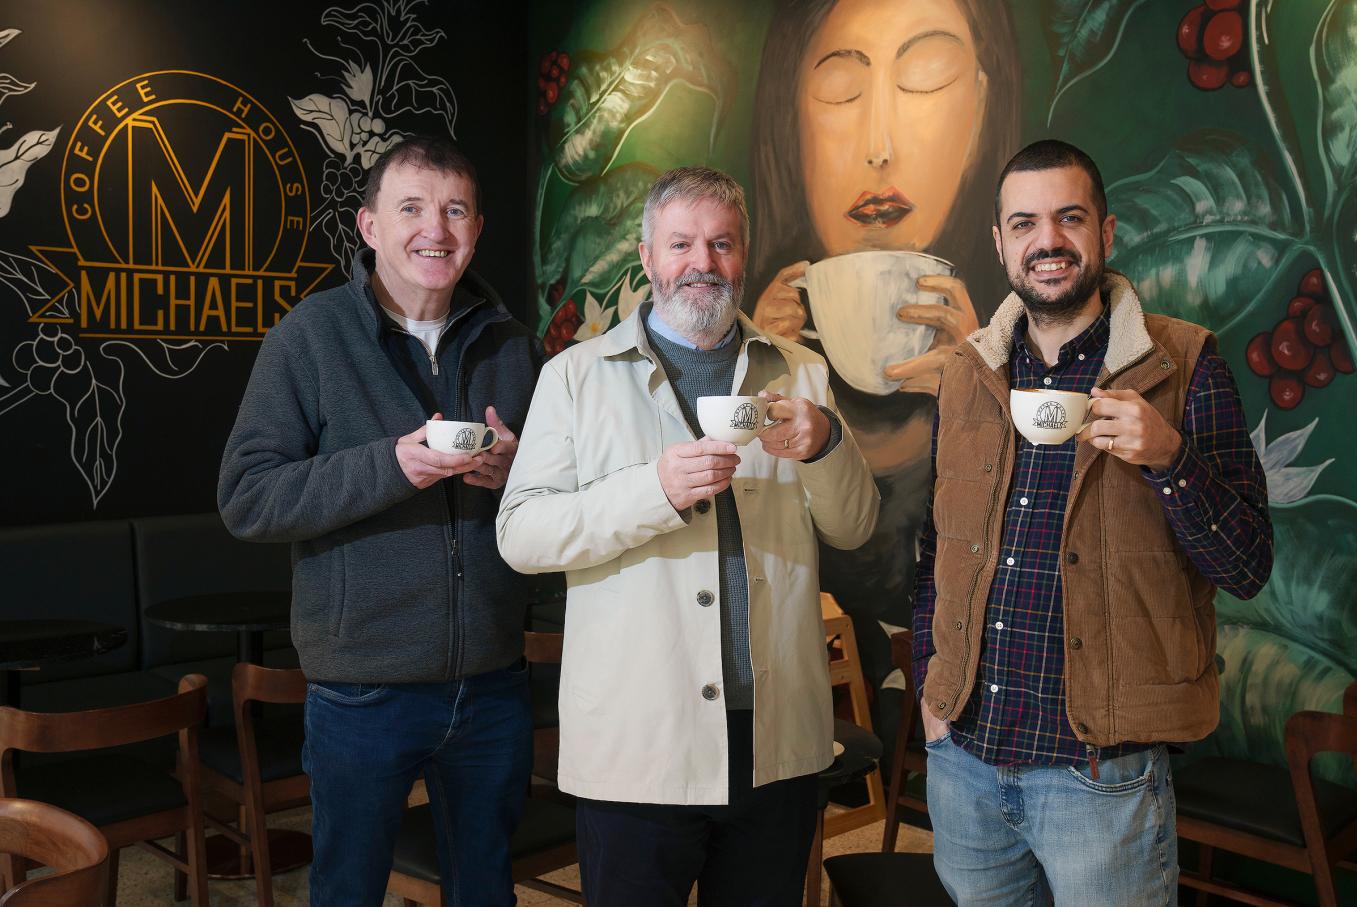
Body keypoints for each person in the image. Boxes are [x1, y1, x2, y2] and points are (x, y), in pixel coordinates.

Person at [497, 166, 879, 906]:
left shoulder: (802, 373)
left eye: (721, 243)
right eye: (681, 244)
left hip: (777, 741)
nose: (702, 263)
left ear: (744, 254)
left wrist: (827, 441)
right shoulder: (575, 377)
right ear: (646, 257)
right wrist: (654, 491)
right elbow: (521, 534)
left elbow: (854, 525)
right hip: (640, 748)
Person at [912, 140, 1273, 906]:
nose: (1048, 241)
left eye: (1068, 218)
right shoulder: (966, 376)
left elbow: (1248, 563)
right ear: (1000, 243)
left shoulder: (1183, 364)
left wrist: (1170, 457)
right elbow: (934, 552)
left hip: (1101, 780)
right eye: (1026, 223)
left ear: (1105, 233)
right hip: (966, 768)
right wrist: (931, 697)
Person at [218, 136, 543, 906]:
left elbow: (558, 505)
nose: (436, 227)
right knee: (347, 891)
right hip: (363, 689)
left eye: (455, 209)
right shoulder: (311, 337)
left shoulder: (515, 346)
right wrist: (392, 465)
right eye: (411, 208)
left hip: (493, 681)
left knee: (485, 889)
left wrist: (516, 474)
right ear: (369, 228)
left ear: (477, 228)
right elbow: (247, 495)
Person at [748, 0, 1023, 746]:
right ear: (789, 116)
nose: (880, 145)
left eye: (926, 78)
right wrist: (757, 368)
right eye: (839, 90)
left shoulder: (1019, 342)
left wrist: (979, 386)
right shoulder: (756, 336)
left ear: (984, 103)